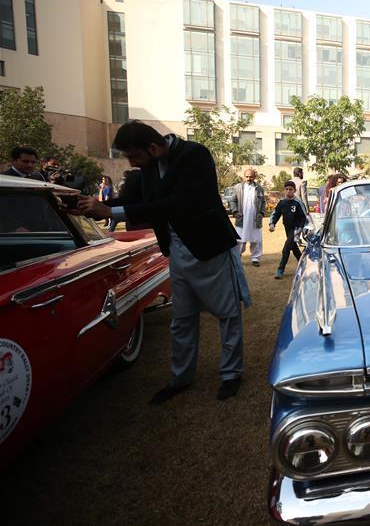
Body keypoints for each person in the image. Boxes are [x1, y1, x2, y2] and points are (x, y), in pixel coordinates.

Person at [77, 121, 249, 403]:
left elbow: (179, 203)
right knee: (182, 318)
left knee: (228, 314)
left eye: (134, 156)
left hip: (211, 247)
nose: (132, 163)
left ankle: (231, 374)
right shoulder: (148, 165)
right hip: (177, 251)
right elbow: (134, 200)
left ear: (153, 147)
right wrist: (88, 206)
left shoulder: (195, 155)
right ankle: (180, 377)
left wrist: (112, 211)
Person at [269, 181, 309, 279]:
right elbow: (276, 213)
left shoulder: (298, 202)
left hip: (296, 229)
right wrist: (272, 223)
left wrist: (300, 230)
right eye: (286, 189)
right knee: (294, 248)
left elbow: (304, 217)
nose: (288, 191)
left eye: (290, 189)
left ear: (294, 190)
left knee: (286, 248)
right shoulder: (282, 202)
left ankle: (280, 269)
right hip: (287, 228)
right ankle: (304, 265)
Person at [229, 168, 266, 267]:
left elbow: (263, 202)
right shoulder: (238, 187)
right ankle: (237, 257)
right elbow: (232, 201)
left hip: (255, 219)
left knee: (256, 239)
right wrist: (235, 212)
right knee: (240, 239)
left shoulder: (259, 188)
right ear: (244, 176)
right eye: (247, 176)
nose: (249, 178)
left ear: (254, 177)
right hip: (242, 218)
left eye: (251, 177)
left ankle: (255, 259)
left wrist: (262, 213)